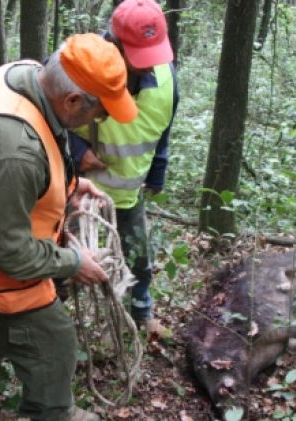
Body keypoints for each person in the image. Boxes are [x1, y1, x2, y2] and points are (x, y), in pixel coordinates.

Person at [0, 33, 136, 420]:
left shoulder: (24, 76)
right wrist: (72, 262)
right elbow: (5, 249)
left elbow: (34, 159)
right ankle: (50, 413)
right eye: (99, 113)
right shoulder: (15, 150)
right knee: (55, 341)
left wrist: (69, 185)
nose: (99, 121)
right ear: (72, 101)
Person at [68, 0, 179, 331]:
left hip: (128, 193)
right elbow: (41, 117)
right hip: (74, 190)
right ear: (114, 43)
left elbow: (163, 131)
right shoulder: (78, 66)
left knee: (139, 258)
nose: (148, 66)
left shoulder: (166, 78)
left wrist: (157, 173)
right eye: (139, 57)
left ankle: (141, 315)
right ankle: (61, 323)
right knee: (66, 259)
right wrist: (76, 150)